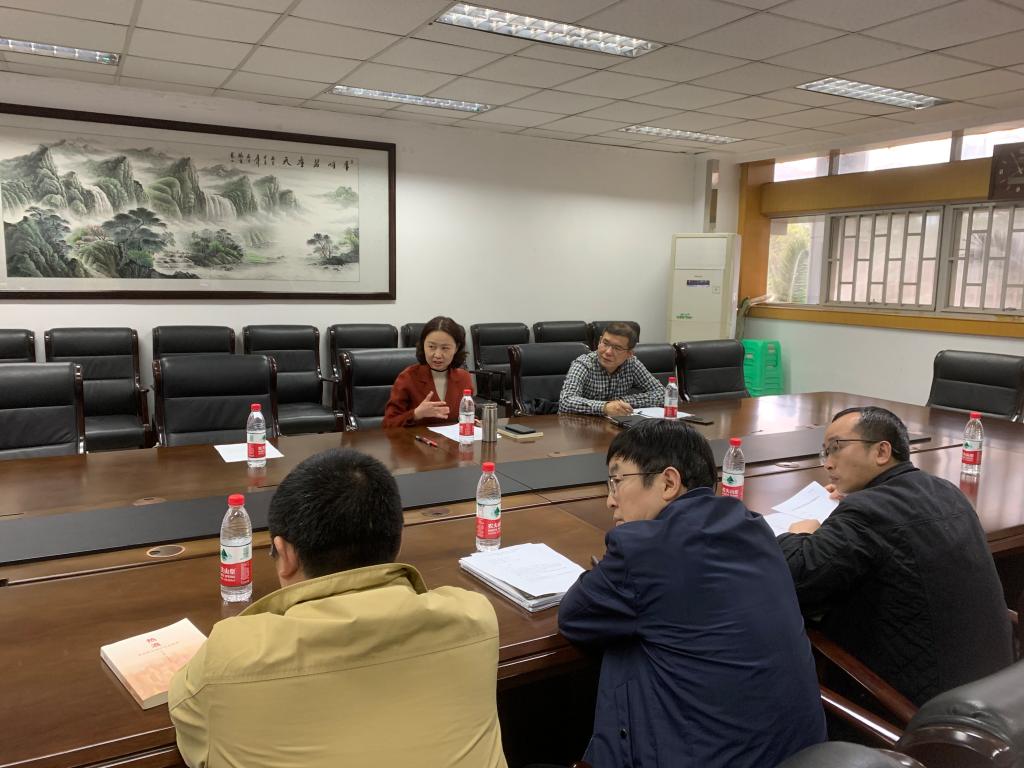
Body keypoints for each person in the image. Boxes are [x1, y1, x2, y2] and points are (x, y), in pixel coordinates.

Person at [169, 448, 506, 768]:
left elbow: (188, 722)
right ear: (398, 540)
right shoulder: (474, 617)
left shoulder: (229, 657)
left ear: (284, 555)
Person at [558, 419, 825, 768]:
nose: (610, 500)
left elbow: (574, 617)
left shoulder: (643, 549)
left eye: (617, 481)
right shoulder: (754, 526)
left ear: (669, 482)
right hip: (800, 755)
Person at [778, 406, 1012, 706]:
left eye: (836, 448)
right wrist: (859, 495)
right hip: (994, 688)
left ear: (881, 451)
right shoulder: (947, 491)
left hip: (921, 709)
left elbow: (795, 578)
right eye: (825, 452)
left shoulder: (868, 512)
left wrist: (800, 534)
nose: (828, 463)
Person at [382, 315, 473, 428]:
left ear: (456, 348)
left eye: (445, 348)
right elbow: (388, 424)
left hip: (452, 439)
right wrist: (416, 414)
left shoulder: (464, 378)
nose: (437, 355)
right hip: (416, 439)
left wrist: (474, 422)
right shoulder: (408, 377)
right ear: (423, 345)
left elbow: (466, 414)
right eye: (431, 347)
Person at [558, 322, 663, 416]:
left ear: (629, 353)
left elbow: (662, 394)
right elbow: (566, 401)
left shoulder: (632, 364)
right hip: (580, 426)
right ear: (600, 341)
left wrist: (621, 402)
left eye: (617, 348)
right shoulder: (584, 364)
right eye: (605, 343)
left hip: (613, 424)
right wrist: (605, 407)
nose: (608, 352)